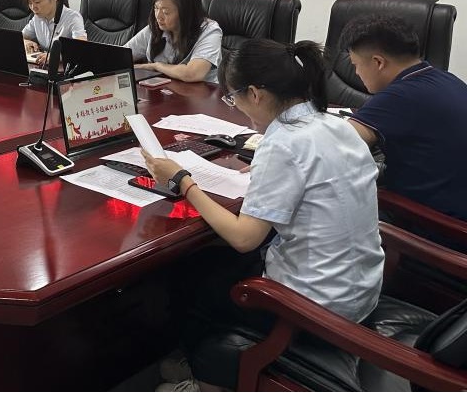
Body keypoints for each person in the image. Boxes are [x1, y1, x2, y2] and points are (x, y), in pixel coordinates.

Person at [142, 39, 384, 391]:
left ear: (255, 94)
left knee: (192, 274)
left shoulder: (283, 142)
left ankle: (200, 374)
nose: (236, 107)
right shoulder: (335, 125)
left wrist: (182, 181)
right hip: (359, 293)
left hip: (315, 310)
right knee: (219, 262)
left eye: (233, 98)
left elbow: (244, 238)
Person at [343, 14, 467, 221]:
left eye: (355, 64)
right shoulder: (446, 79)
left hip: (437, 225)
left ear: (378, 62)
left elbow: (332, 144)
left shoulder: (399, 96)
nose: (356, 72)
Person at [126, 0, 222, 84]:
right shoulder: (156, 27)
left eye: (165, 12)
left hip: (200, 93)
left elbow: (193, 74)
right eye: (156, 8)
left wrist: (157, 66)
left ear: (185, 13)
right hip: (162, 90)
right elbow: (121, 56)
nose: (158, 16)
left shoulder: (209, 31)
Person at [21, 0, 86, 67]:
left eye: (37, 2)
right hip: (42, 67)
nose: (33, 7)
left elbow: (81, 47)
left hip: (64, 70)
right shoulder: (37, 17)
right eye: (30, 3)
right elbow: (21, 37)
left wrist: (56, 56)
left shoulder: (73, 17)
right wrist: (26, 42)